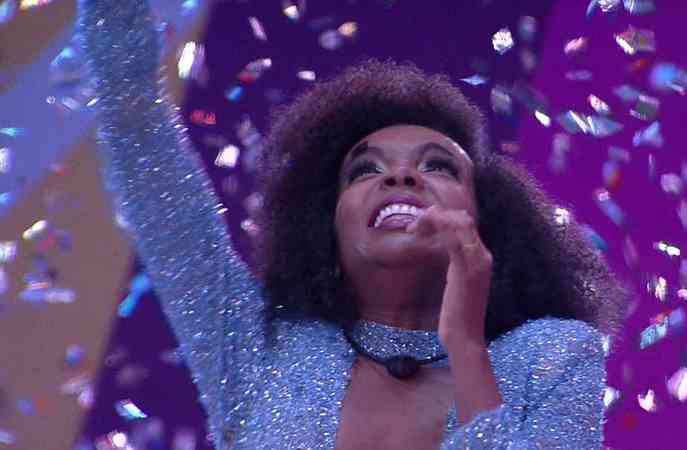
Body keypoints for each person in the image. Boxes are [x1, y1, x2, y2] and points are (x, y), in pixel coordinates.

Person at [78, 1, 628, 448]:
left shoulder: (552, 357)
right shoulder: (257, 347)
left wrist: (465, 345)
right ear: (326, 228)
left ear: (487, 219)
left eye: (437, 166)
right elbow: (134, 119)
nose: (401, 177)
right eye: (365, 170)